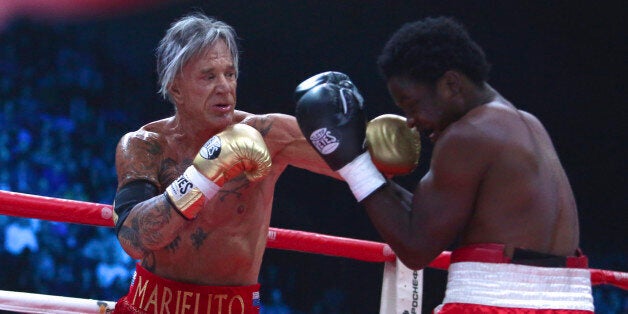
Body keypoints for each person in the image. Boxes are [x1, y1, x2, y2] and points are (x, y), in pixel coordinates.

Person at [295, 17, 594, 313]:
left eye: (412, 105)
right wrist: (371, 172)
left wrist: (352, 164)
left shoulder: (467, 134)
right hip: (570, 304)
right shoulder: (526, 124)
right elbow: (432, 220)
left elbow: (416, 248)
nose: (411, 121)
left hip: (499, 304)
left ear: (450, 84)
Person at [111, 12, 341, 314]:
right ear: (176, 88)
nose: (224, 87)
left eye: (229, 74)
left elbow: (359, 164)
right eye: (209, 76)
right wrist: (203, 176)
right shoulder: (146, 145)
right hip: (150, 304)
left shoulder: (268, 135)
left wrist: (384, 137)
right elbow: (134, 240)